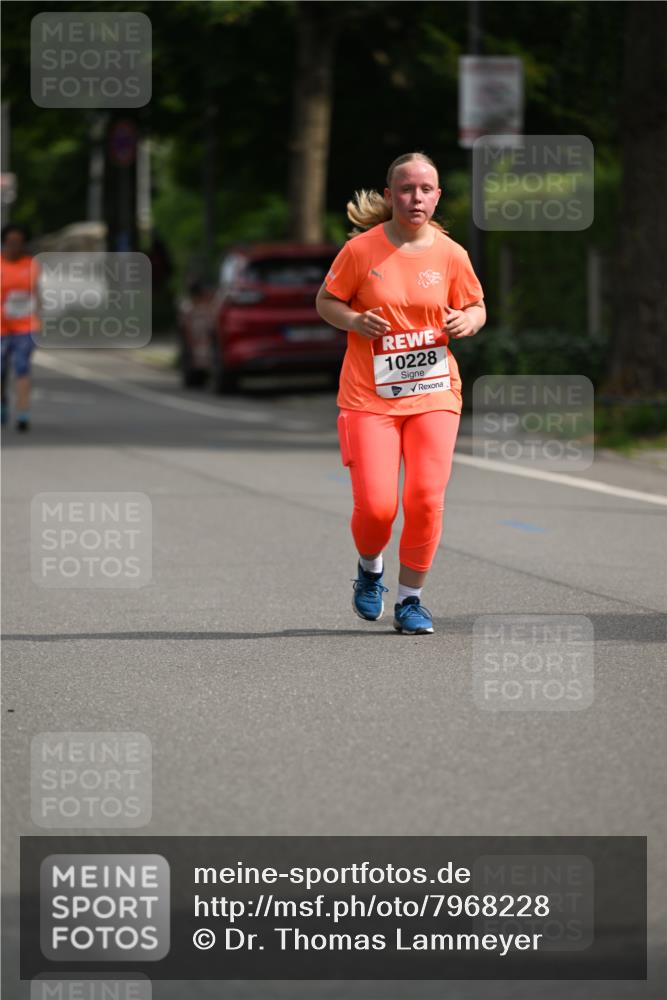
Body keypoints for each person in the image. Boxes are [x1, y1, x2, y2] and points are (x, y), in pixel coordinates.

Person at [316, 151, 486, 635]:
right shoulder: (361, 252)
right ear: (391, 196)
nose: (416, 198)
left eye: (426, 189)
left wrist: (466, 321)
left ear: (437, 196)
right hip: (369, 397)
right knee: (377, 507)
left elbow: (476, 306)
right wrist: (354, 320)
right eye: (407, 189)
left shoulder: (452, 255)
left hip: (434, 392)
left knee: (426, 498)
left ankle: (411, 600)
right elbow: (326, 301)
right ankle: (370, 571)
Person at [1, 223, 40, 432]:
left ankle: (23, 412)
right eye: (10, 242)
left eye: (18, 242)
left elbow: (37, 293)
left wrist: (39, 316)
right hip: (1, 327)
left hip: (25, 325)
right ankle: (2, 403)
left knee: (22, 366)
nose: (14, 246)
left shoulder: (31, 265)